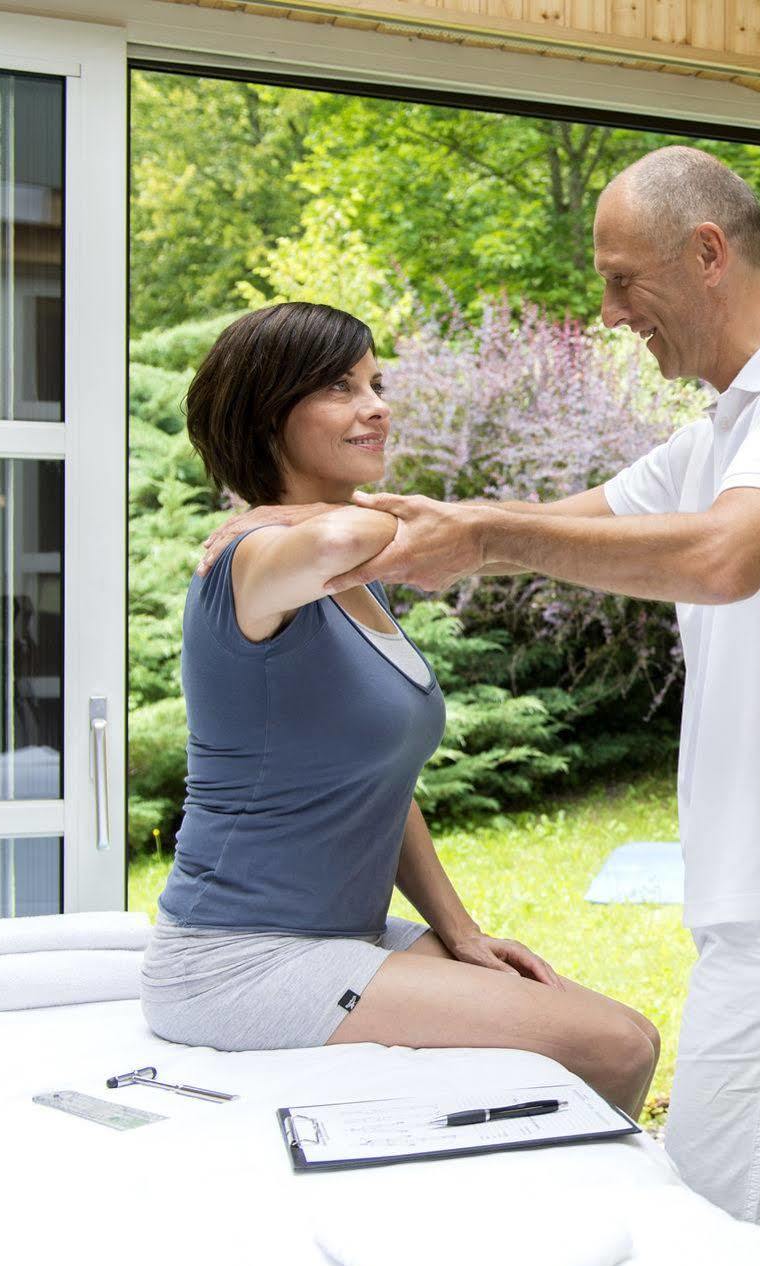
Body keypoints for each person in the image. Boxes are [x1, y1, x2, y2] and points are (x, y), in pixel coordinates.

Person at [201, 147, 760, 1266]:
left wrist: (481, 537)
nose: (609, 313)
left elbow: (718, 557)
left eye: (621, 280)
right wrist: (356, 529)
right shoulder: (728, 426)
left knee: (701, 1251)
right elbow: (578, 518)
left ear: (706, 255)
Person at [147, 302, 660, 1118]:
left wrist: (458, 930)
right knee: (615, 1048)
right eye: (340, 387)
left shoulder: (357, 578)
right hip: (238, 958)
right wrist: (303, 516)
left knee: (627, 1031)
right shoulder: (250, 560)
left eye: (376, 382)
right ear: (266, 412)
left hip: (339, 935)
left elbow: (379, 783)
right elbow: (321, 546)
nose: (376, 404)